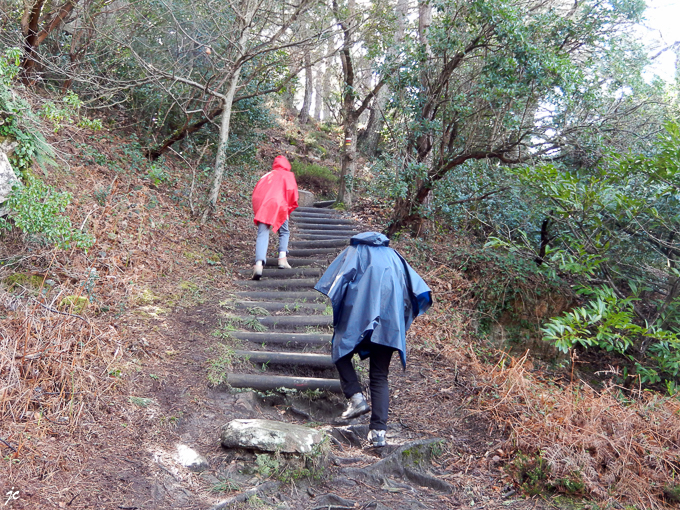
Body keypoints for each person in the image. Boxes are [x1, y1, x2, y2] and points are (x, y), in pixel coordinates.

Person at [314, 232, 432, 447]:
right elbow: (415, 289)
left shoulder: (355, 252)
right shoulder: (395, 256)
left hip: (359, 319)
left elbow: (338, 284)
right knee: (379, 376)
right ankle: (378, 433)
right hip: (389, 324)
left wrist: (345, 313)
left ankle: (356, 398)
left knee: (340, 350)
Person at [251, 155, 299, 280]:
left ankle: (259, 265)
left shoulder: (267, 176)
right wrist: (287, 209)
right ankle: (282, 259)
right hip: (280, 205)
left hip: (264, 205)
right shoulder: (288, 176)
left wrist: (259, 208)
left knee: (263, 233)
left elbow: (257, 192)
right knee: (284, 231)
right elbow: (292, 193)